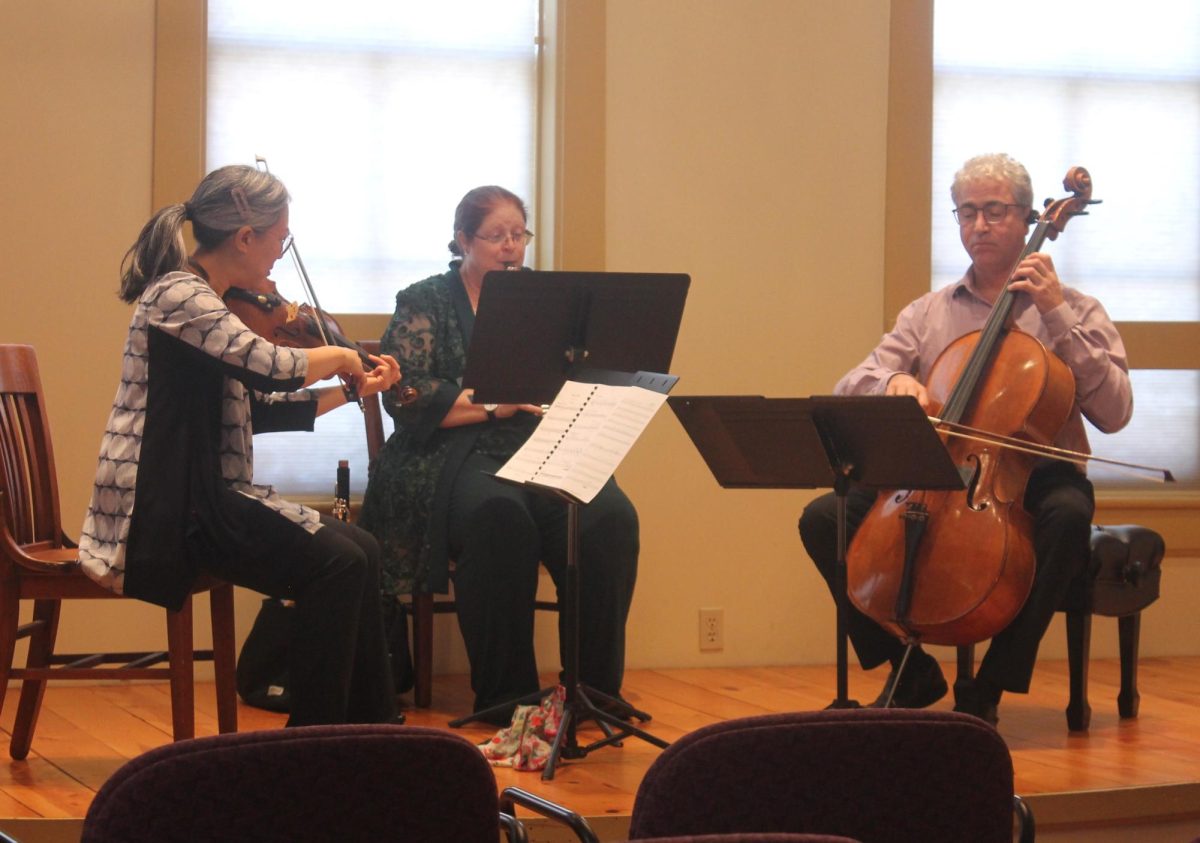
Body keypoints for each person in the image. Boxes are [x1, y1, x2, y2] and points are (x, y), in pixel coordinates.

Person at [798, 153, 1132, 725]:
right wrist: (894, 380)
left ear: (1030, 218)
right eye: (967, 212)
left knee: (1068, 516)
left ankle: (990, 687)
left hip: (1036, 474)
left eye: (995, 211)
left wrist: (1053, 314)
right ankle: (910, 670)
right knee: (823, 518)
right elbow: (853, 381)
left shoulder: (1075, 308)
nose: (979, 225)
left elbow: (1115, 410)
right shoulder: (929, 312)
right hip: (940, 468)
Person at [78, 164, 404, 727]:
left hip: (200, 494)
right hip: (164, 507)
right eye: (280, 238)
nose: (281, 252)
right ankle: (314, 749)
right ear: (246, 236)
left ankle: (372, 733)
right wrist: (345, 357)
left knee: (363, 551)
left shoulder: (213, 301)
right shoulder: (180, 295)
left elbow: (257, 408)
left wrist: (350, 394)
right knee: (339, 563)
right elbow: (274, 368)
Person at [358, 185, 640, 722]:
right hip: (449, 450)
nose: (510, 247)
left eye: (519, 235)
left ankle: (592, 694)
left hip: (541, 442)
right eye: (496, 237)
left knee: (610, 517)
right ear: (463, 240)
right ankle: (506, 698)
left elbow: (579, 375)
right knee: (500, 517)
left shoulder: (548, 298)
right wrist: (495, 404)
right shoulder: (425, 300)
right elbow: (407, 397)